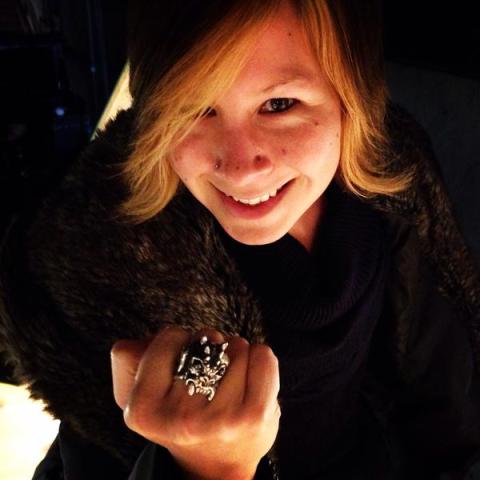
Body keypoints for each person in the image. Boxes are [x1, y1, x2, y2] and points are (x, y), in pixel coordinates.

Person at [0, 0, 479, 479]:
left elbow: (440, 393)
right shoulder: (103, 266)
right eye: (196, 108)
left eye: (279, 105)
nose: (240, 167)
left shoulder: (394, 185)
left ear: (350, 100)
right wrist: (203, 470)